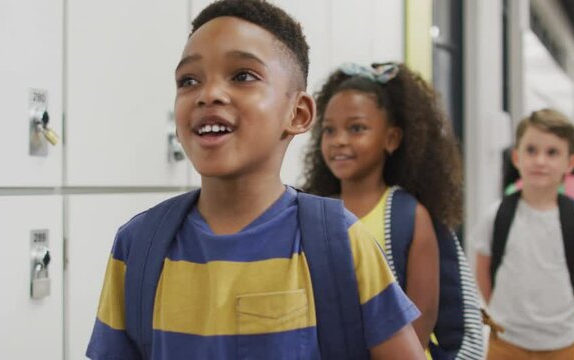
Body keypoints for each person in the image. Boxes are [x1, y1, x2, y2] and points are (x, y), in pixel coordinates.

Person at [85, 1, 425, 359]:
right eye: (189, 80)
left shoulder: (341, 242)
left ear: (297, 113)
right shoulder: (137, 246)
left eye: (242, 75)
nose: (208, 94)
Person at [302, 62, 465, 355]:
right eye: (329, 130)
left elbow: (421, 320)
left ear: (391, 139)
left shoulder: (409, 216)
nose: (339, 140)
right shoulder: (314, 213)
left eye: (357, 128)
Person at [474, 109, 574, 359]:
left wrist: (571, 311)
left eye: (552, 152)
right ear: (516, 157)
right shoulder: (496, 215)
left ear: (570, 162)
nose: (540, 161)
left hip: (562, 343)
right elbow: (483, 269)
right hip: (505, 340)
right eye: (531, 150)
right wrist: (499, 310)